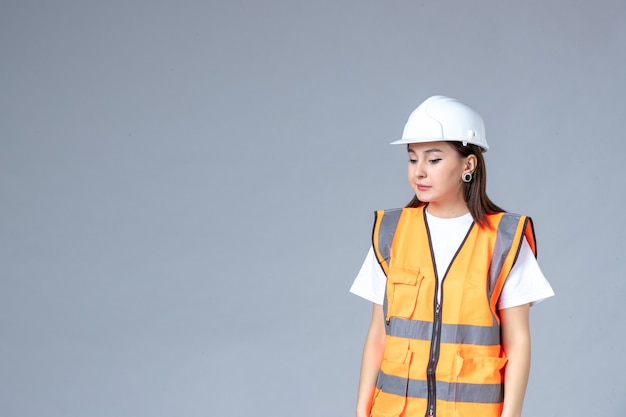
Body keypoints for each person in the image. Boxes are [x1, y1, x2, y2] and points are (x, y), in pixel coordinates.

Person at [350, 95, 554, 417]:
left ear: (468, 164)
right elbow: (378, 333)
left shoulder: (504, 239)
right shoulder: (391, 233)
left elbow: (518, 341)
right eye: (412, 159)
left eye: (433, 160)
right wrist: (362, 412)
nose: (419, 171)